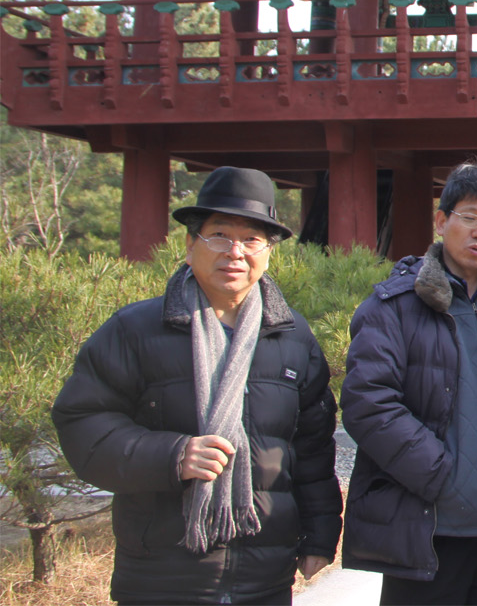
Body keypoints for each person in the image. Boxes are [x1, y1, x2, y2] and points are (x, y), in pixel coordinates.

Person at [52, 167, 340, 605]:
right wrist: (173, 454)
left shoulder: (292, 336)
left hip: (264, 576)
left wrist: (319, 536)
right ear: (190, 246)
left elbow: (313, 445)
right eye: (219, 236)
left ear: (268, 253)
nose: (236, 252)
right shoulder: (135, 330)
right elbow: (82, 423)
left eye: (252, 239)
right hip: (162, 575)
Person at [340, 161, 477, 605]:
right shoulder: (395, 305)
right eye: (470, 217)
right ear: (441, 222)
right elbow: (368, 402)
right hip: (429, 527)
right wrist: (439, 472)